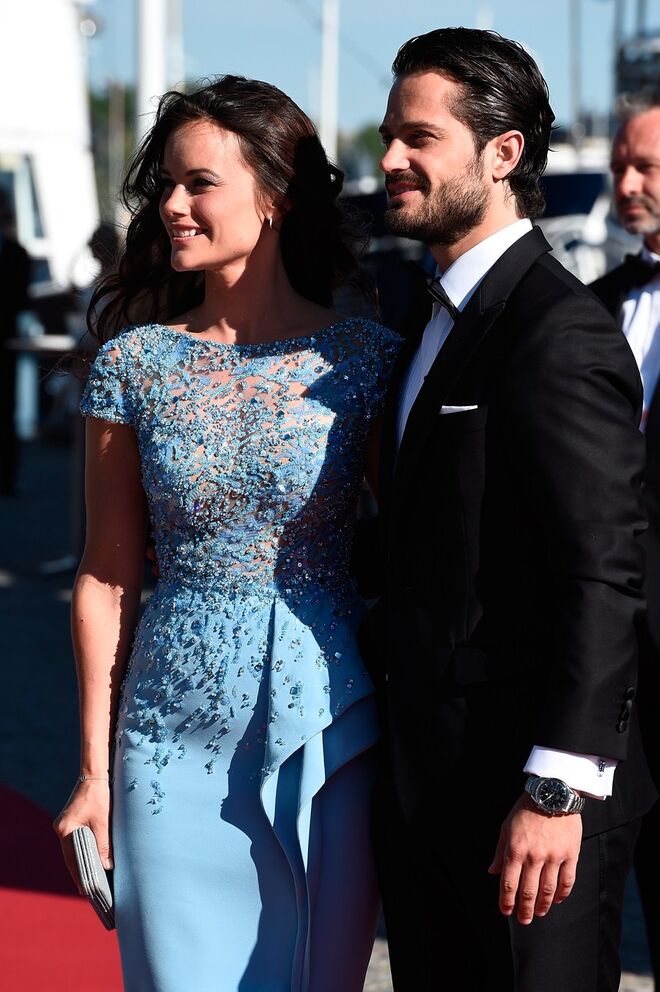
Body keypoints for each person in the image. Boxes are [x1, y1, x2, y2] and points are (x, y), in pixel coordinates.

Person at [53, 75, 402, 992]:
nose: (172, 205)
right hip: (166, 738)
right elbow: (105, 577)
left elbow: (419, 556)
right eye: (165, 184)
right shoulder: (134, 365)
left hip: (329, 730)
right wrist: (93, 772)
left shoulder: (365, 361)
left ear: (275, 195)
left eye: (199, 183)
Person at [365, 27, 657, 992]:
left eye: (419, 137)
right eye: (389, 134)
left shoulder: (558, 329)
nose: (391, 158)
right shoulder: (425, 316)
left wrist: (556, 785)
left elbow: (602, 573)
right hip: (426, 789)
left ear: (503, 153)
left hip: (529, 811)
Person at [590, 89, 660, 987]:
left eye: (646, 166)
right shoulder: (592, 306)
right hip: (608, 673)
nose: (627, 183)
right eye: (619, 166)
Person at [0, 190, 30, 496]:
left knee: (8, 411)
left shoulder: (17, 253)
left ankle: (7, 479)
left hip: (6, 343)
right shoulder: (16, 252)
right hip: (8, 340)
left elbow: (21, 298)